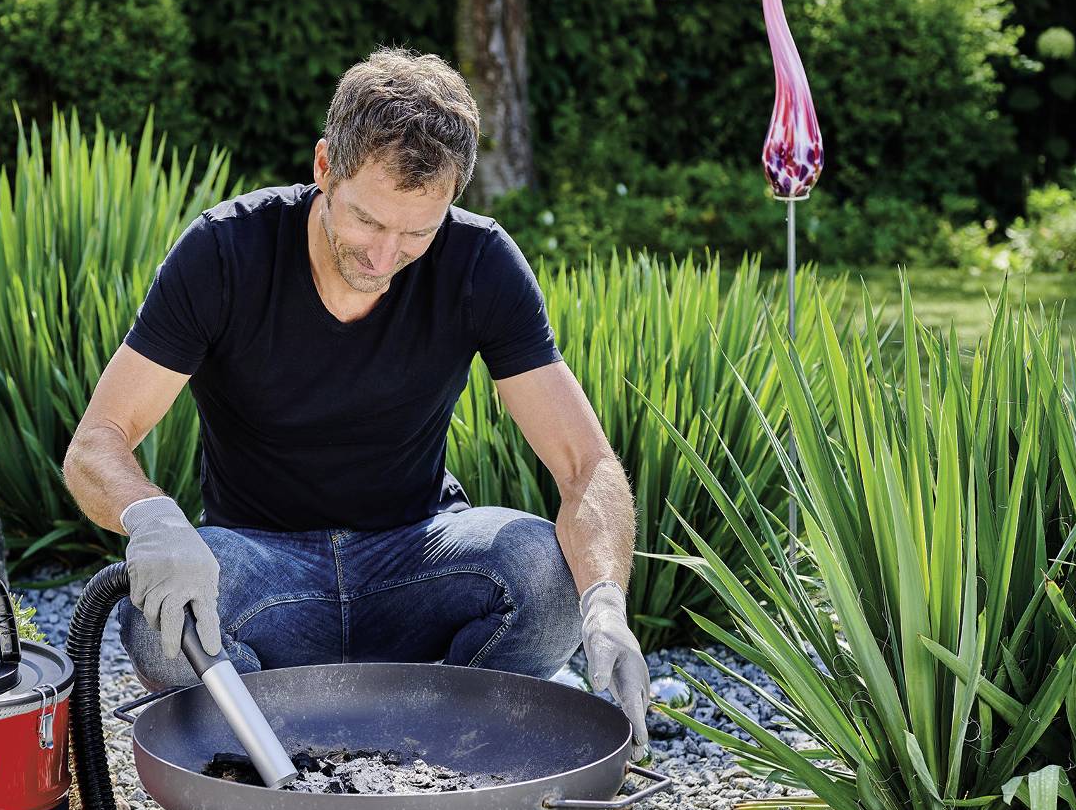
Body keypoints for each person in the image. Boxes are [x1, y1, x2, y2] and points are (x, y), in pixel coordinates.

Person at [62, 46, 650, 757]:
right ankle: (262, 769)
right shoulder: (225, 253)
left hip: (416, 552)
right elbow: (97, 441)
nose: (383, 256)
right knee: (160, 622)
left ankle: (443, 764)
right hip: (260, 565)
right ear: (322, 168)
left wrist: (606, 607)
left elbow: (585, 462)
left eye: (416, 234)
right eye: (367, 222)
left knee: (544, 571)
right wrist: (154, 521)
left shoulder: (478, 262)